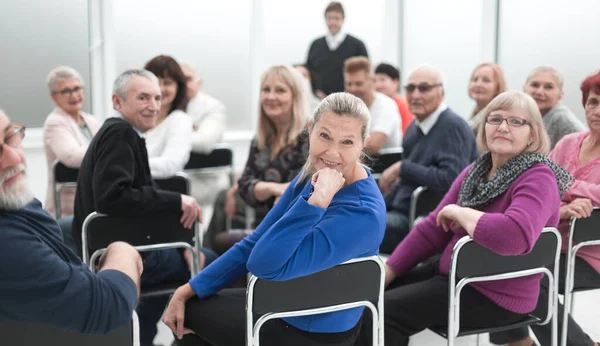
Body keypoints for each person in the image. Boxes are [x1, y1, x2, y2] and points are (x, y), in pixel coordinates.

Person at [162, 92, 387, 346]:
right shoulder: (311, 175)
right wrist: (187, 289)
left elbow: (262, 264)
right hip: (286, 302)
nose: (332, 153)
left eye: (347, 142)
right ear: (310, 130)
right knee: (188, 311)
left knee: (190, 316)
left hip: (312, 332)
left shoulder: (362, 213)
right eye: (324, 136)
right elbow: (254, 242)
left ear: (363, 144)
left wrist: (316, 203)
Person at [356, 91, 575, 346]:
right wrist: (390, 270)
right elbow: (432, 229)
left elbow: (514, 236)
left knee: (383, 314)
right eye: (495, 119)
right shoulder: (476, 170)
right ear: (484, 128)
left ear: (533, 134)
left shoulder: (539, 176)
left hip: (493, 291)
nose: (503, 127)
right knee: (369, 300)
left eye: (516, 122)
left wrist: (463, 213)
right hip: (454, 275)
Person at [71, 69, 216, 346]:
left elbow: (127, 200)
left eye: (157, 98)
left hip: (115, 248)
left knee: (181, 257)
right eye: (143, 98)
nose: (153, 106)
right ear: (117, 101)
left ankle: (146, 338)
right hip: (118, 255)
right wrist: (176, 202)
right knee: (211, 262)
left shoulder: (118, 132)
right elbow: (115, 197)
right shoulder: (121, 135)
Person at [0, 110, 142, 334]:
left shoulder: (21, 205)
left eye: (10, 138)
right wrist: (123, 252)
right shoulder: (7, 245)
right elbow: (108, 308)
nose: (14, 158)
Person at [490, 73, 600, 346]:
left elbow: (554, 187)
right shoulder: (567, 143)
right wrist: (564, 204)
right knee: (499, 264)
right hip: (548, 243)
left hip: (589, 256)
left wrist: (566, 186)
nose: (598, 110)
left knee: (530, 276)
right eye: (594, 102)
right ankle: (518, 341)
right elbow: (540, 185)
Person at [203, 65, 309, 253]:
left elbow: (305, 189)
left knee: (221, 243)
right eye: (266, 90)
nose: (270, 97)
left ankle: (202, 264)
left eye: (280, 90)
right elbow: (245, 184)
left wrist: (262, 188)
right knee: (221, 236)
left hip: (289, 231)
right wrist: (271, 188)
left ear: (296, 96)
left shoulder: (309, 137)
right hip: (262, 223)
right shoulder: (262, 138)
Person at [378, 65, 478, 254]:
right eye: (410, 88)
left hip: (421, 220)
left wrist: (403, 167)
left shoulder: (453, 127)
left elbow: (452, 179)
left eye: (424, 88)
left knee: (351, 230)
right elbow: (403, 184)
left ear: (441, 92)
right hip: (398, 211)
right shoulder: (415, 127)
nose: (415, 95)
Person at [43, 66, 101, 250]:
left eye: (77, 88)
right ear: (54, 96)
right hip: (69, 209)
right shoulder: (54, 122)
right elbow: (72, 156)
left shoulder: (91, 120)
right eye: (66, 91)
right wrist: (106, 153)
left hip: (94, 203)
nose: (73, 94)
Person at [180, 63, 229, 206]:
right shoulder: (165, 107)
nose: (183, 84)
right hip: (177, 182)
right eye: (178, 80)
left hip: (208, 185)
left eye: (188, 79)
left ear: (199, 83)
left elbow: (204, 142)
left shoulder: (213, 107)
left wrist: (172, 136)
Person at [144, 55, 192, 178]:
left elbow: (171, 164)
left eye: (167, 83)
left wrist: (124, 166)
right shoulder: (132, 119)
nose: (160, 88)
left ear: (178, 87)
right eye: (155, 82)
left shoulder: (179, 120)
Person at [306, 1, 368, 96]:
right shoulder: (315, 45)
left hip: (349, 100)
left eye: (336, 18)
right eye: (329, 18)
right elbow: (309, 71)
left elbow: (365, 72)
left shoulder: (357, 45)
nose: (332, 22)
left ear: (343, 19)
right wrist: (316, 91)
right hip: (320, 100)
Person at [344, 57, 401, 154]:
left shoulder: (387, 105)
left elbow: (373, 146)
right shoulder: (347, 105)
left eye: (359, 84)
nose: (353, 89)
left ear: (372, 81)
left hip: (384, 165)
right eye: (349, 84)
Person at [524, 66, 585, 149]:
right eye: (535, 85)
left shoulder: (561, 118)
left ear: (560, 95)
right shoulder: (520, 114)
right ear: (524, 88)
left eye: (548, 87)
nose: (539, 92)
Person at [375, 62, 414, 134]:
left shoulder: (403, 105)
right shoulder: (377, 104)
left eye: (382, 80)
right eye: (375, 81)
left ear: (395, 82)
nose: (378, 85)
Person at [467, 63, 507, 133]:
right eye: (475, 79)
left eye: (486, 80)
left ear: (497, 88)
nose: (478, 84)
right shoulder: (475, 112)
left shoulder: (495, 118)